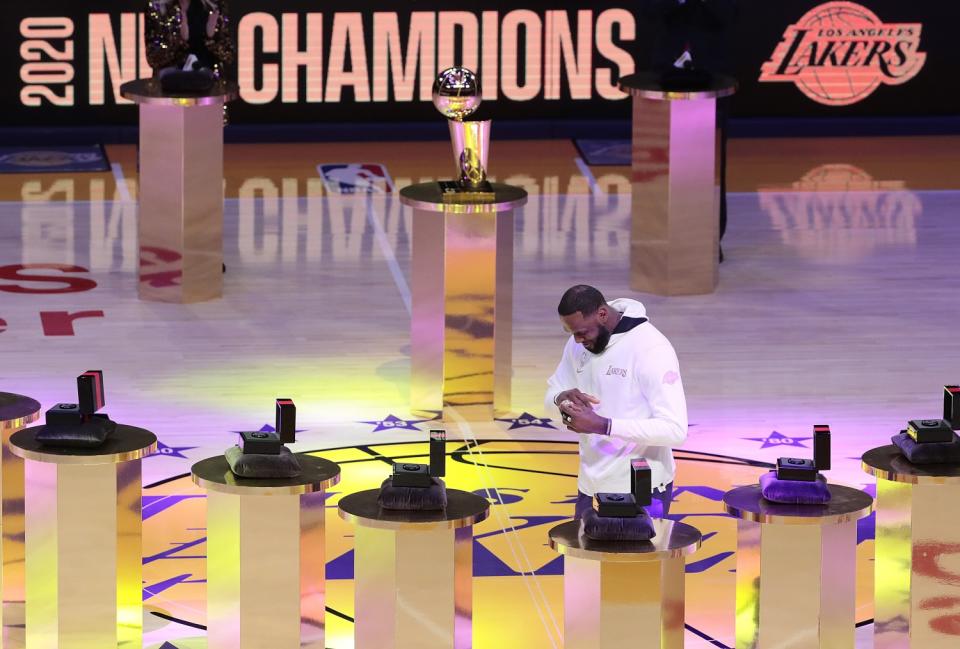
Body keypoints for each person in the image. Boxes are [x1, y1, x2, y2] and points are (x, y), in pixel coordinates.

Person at [544, 285, 687, 518]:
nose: (577, 340)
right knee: (581, 554)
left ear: (602, 314)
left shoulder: (651, 348)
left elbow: (675, 429)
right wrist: (560, 399)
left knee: (638, 556)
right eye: (571, 333)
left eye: (582, 332)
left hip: (641, 489)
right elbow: (551, 397)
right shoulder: (577, 343)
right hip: (590, 486)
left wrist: (603, 425)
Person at [642, 0, 738, 261]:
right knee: (662, 159)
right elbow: (648, 10)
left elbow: (730, 12)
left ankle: (709, 239)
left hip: (713, 73)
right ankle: (662, 236)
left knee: (711, 162)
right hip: (664, 74)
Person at [145, 0, 235, 80]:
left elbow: (228, 56)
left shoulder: (215, 6)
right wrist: (179, 39)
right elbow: (153, 58)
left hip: (209, 87)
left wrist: (212, 38)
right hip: (169, 87)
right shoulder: (157, 7)